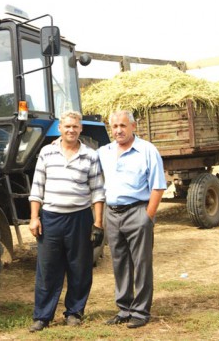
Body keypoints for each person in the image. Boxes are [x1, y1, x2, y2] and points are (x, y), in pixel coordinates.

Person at [27, 110, 105, 332]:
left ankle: (75, 312)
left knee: (79, 268)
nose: (71, 130)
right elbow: (37, 188)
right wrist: (34, 218)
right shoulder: (46, 152)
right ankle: (42, 316)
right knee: (48, 269)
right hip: (51, 218)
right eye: (67, 126)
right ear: (59, 128)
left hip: (80, 218)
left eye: (75, 127)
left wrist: (98, 223)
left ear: (81, 129)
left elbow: (97, 191)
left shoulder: (91, 155)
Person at [98, 110, 167, 329]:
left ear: (133, 127)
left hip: (138, 211)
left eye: (123, 126)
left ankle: (141, 311)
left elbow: (158, 185)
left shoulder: (147, 150)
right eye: (115, 126)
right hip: (112, 213)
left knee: (142, 263)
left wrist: (148, 216)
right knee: (119, 262)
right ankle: (124, 308)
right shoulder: (104, 152)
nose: (118, 130)